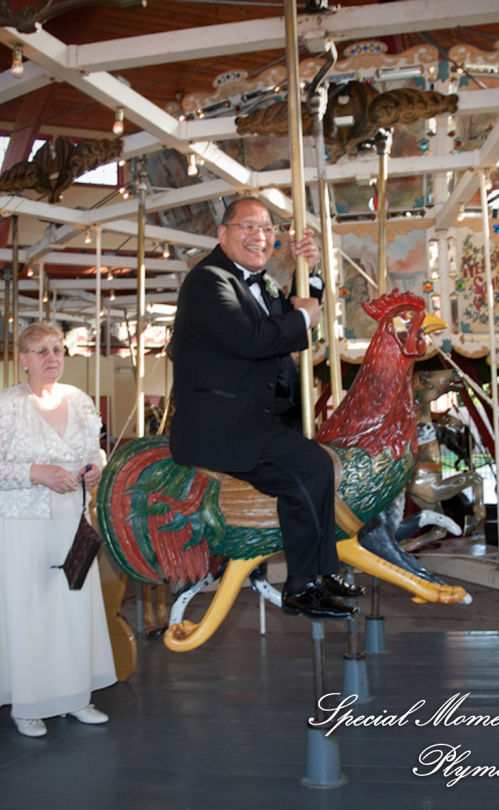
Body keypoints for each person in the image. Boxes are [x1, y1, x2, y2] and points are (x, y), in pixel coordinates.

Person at [169, 197, 362, 620]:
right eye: (249, 226)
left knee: (320, 465)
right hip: (222, 427)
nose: (260, 235)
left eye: (268, 228)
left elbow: (288, 313)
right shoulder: (207, 282)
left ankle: (322, 570)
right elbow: (254, 339)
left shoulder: (261, 284)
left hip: (259, 419)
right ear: (223, 234)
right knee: (310, 466)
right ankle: (301, 585)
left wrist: (306, 274)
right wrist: (306, 319)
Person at [0, 321, 116, 738]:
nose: (52, 357)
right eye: (41, 351)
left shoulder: (80, 400)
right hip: (21, 523)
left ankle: (75, 696)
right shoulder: (4, 405)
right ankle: (29, 701)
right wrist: (36, 472)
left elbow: (95, 448)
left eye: (57, 349)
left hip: (70, 519)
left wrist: (96, 467)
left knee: (72, 609)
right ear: (22, 359)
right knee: (30, 611)